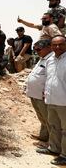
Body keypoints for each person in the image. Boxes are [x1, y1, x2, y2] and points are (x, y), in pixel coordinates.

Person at [37, 36, 66, 165]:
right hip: (51, 99)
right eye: (55, 45)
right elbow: (49, 78)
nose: (57, 47)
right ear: (51, 46)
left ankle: (65, 155)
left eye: (61, 45)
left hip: (64, 102)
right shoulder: (50, 61)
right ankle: (54, 149)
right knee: (54, 126)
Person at [26, 40, 52, 144]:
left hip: (42, 95)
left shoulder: (51, 59)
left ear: (48, 47)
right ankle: (44, 136)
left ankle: (53, 142)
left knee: (48, 119)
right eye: (34, 49)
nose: (36, 51)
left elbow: (51, 77)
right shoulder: (42, 59)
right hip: (34, 94)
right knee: (41, 117)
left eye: (38, 49)